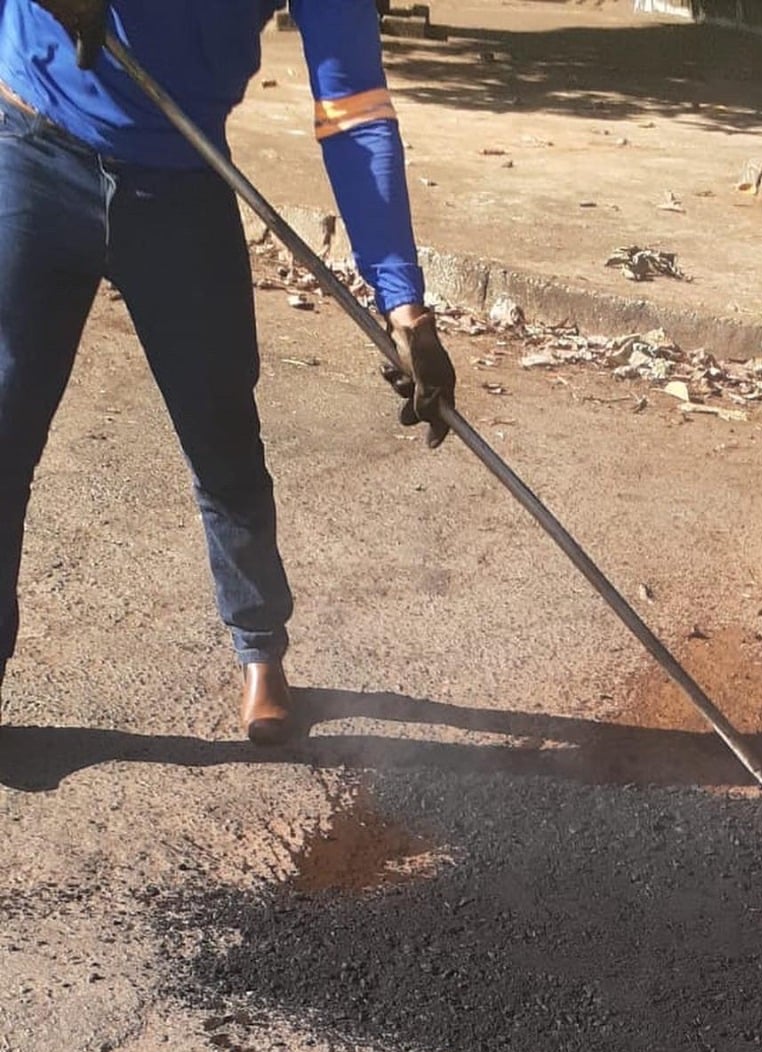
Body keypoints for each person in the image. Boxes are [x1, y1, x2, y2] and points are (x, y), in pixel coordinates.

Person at [0, 0, 455, 742]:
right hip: (34, 149)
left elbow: (353, 109)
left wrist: (404, 306)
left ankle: (260, 651)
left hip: (182, 179)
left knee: (222, 437)